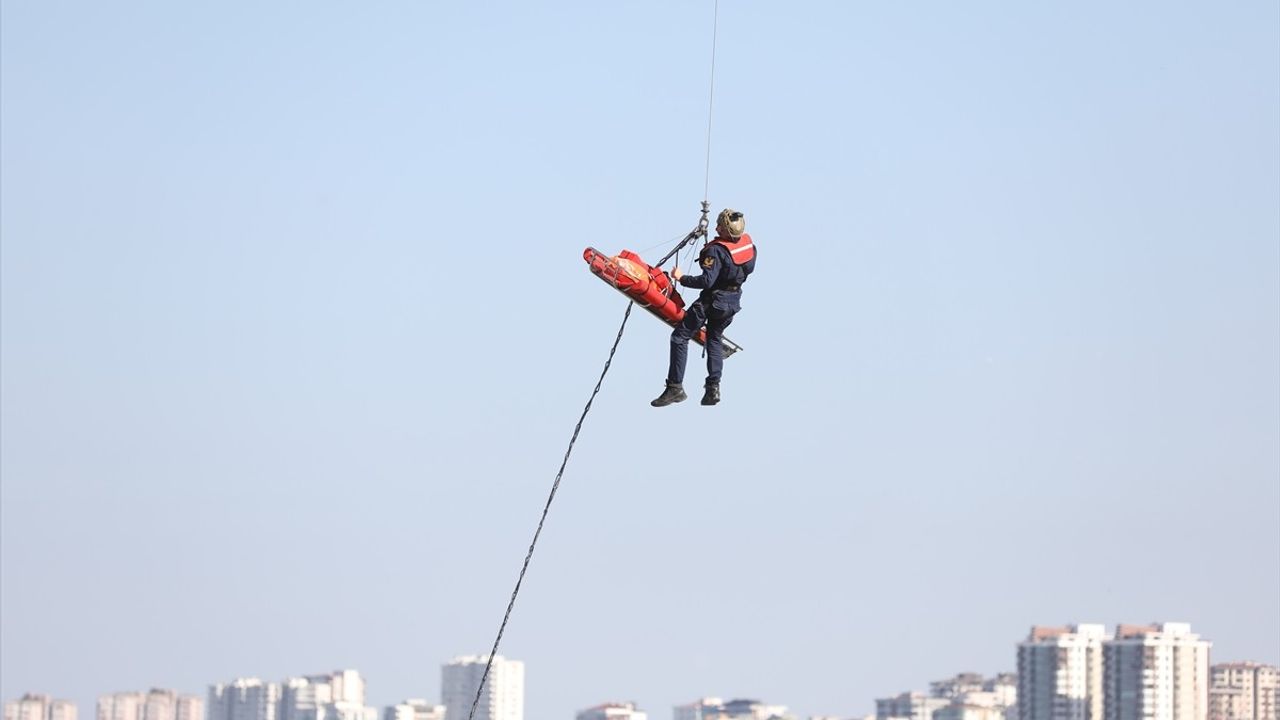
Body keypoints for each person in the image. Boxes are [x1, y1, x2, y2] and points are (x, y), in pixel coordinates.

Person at [651, 208, 757, 407]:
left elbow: (707, 281)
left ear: (724, 230)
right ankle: (713, 388)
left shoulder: (715, 251)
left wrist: (682, 278)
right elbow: (746, 270)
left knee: (680, 337)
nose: (715, 227)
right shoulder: (749, 247)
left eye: (719, 225)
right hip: (733, 302)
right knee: (714, 339)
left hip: (712, 302)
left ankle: (675, 388)